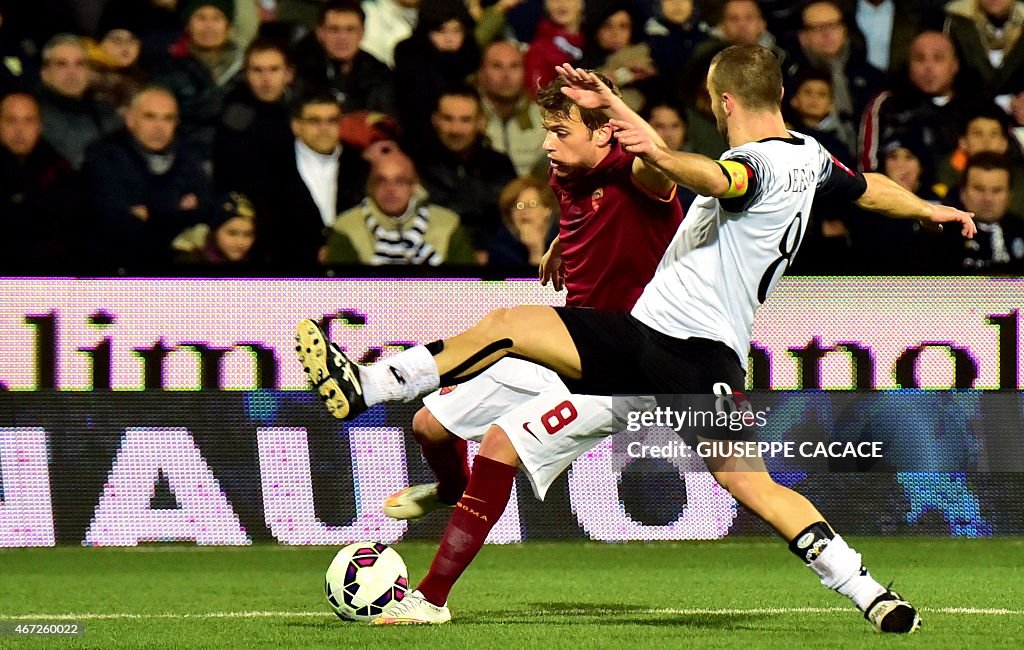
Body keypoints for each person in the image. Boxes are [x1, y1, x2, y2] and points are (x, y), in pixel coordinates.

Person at [296, 47, 976, 631]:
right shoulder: (812, 159)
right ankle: (870, 592)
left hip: (672, 347)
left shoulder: (754, 164)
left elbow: (718, 177)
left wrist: (650, 142)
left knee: (735, 476)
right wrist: (929, 208)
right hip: (669, 346)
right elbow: (869, 188)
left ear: (724, 99)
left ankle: (373, 398)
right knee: (750, 483)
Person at [378, 68, 681, 588]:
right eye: (546, 129)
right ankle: (452, 489)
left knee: (500, 441)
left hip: (626, 366)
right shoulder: (568, 174)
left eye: (560, 132)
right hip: (569, 348)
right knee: (429, 427)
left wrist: (615, 106)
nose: (546, 143)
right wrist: (565, 241)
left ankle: (428, 598)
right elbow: (591, 209)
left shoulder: (639, 173)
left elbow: (662, 166)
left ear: (604, 131)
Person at [82, 85, 213, 271]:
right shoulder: (103, 156)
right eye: (149, 117)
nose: (159, 127)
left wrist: (149, 212)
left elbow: (205, 208)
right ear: (130, 119)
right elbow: (116, 223)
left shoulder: (187, 155)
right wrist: (176, 209)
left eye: (168, 118)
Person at [323, 150, 476, 265]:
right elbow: (340, 293)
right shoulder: (347, 226)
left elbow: (469, 287)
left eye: (400, 181)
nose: (390, 189)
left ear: (414, 186)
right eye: (382, 181)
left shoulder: (447, 224)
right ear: (370, 186)